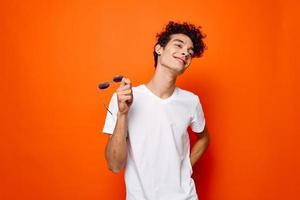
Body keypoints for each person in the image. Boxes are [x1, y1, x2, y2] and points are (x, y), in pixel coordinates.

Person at [102, 21, 210, 200]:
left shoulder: (191, 101)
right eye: (178, 45)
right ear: (159, 49)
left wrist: (185, 168)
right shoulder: (125, 97)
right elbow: (114, 165)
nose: (185, 53)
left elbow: (204, 138)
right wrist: (122, 114)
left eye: (190, 52)